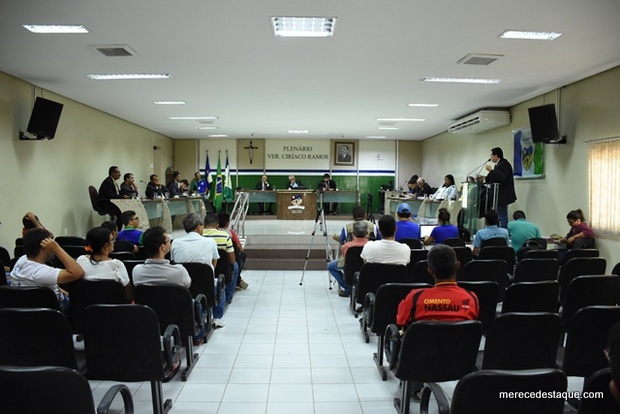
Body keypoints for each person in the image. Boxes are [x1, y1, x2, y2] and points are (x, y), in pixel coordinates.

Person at [395, 243, 480, 400]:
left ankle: (413, 386)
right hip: (458, 359)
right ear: (458, 265)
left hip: (420, 360)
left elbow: (400, 321)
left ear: (430, 270)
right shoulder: (471, 298)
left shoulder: (416, 297)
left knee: (399, 336)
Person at [132, 227, 210, 340]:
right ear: (162, 247)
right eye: (168, 240)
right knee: (197, 302)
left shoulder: (137, 271)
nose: (170, 242)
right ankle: (197, 336)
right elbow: (187, 285)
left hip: (149, 317)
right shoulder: (179, 271)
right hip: (178, 316)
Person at [10, 228, 85, 313]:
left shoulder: (22, 260)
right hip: (56, 310)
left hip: (28, 305)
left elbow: (51, 285)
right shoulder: (41, 273)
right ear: (44, 249)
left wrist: (65, 292)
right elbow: (78, 272)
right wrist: (57, 249)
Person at [170, 213, 226, 328]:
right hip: (206, 284)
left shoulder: (175, 243)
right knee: (221, 284)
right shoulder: (210, 242)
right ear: (199, 227)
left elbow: (174, 261)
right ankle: (217, 318)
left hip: (183, 285)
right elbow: (214, 262)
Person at [76, 227, 131, 295]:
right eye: (112, 239)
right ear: (105, 245)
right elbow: (129, 294)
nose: (113, 242)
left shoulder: (80, 261)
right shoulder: (117, 265)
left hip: (84, 304)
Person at [203, 213, 239, 305]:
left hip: (203, 268)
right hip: (222, 268)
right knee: (235, 265)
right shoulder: (224, 235)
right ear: (217, 225)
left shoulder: (199, 236)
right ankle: (228, 297)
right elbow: (232, 260)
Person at [327, 221, 369, 297]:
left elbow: (346, 259)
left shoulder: (346, 246)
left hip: (350, 268)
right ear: (366, 233)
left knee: (330, 266)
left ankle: (348, 288)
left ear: (353, 233)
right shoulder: (371, 245)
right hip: (366, 268)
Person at [484, 147, 517, 229]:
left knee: (502, 216)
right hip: (498, 196)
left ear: (496, 155)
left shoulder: (503, 164)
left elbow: (500, 178)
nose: (491, 157)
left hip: (502, 196)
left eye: (491, 155)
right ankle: (499, 232)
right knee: (499, 216)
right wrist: (484, 178)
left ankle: (503, 233)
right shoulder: (499, 164)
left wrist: (490, 171)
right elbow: (494, 178)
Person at [217, 212, 249, 291]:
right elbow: (240, 247)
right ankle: (237, 280)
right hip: (229, 260)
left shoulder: (210, 234)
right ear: (227, 224)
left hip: (215, 261)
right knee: (241, 255)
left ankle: (238, 280)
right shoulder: (230, 233)